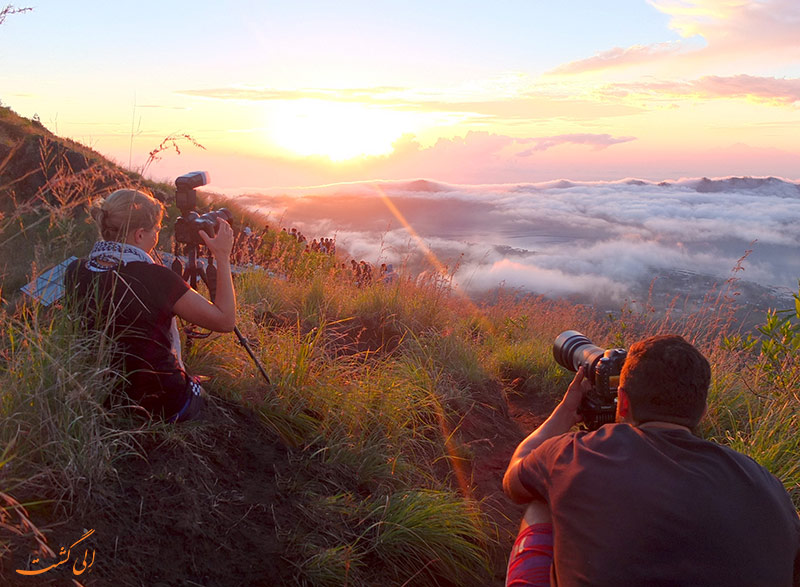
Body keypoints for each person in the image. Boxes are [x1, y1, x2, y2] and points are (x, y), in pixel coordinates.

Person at [503, 334, 800, 586]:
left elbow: (514, 478)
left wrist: (566, 411)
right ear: (703, 410)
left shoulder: (575, 455)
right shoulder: (769, 486)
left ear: (624, 403)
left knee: (542, 498)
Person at [65, 189, 236, 423]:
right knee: (202, 395)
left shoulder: (75, 270)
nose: (157, 234)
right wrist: (222, 256)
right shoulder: (158, 278)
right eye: (156, 229)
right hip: (162, 402)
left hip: (103, 394)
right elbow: (225, 320)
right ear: (139, 235)